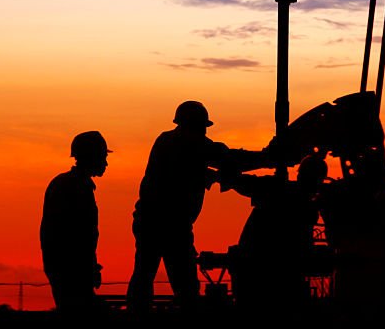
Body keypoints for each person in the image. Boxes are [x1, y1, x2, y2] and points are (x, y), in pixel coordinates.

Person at [127, 101, 270, 314]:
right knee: (184, 283)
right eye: (203, 127)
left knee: (144, 275)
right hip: (170, 224)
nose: (205, 132)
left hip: (152, 221)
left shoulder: (168, 142)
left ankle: (138, 323)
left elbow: (213, 164)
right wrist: (268, 157)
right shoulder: (191, 144)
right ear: (194, 125)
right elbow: (229, 159)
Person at [226, 155, 327, 309]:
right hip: (264, 272)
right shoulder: (294, 199)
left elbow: (246, 184)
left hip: (260, 272)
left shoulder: (288, 194)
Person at [40, 131, 110, 314]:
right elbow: (77, 235)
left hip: (66, 268)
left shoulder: (68, 184)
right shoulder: (74, 187)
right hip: (70, 270)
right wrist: (87, 268)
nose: (106, 163)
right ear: (91, 157)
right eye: (103, 157)